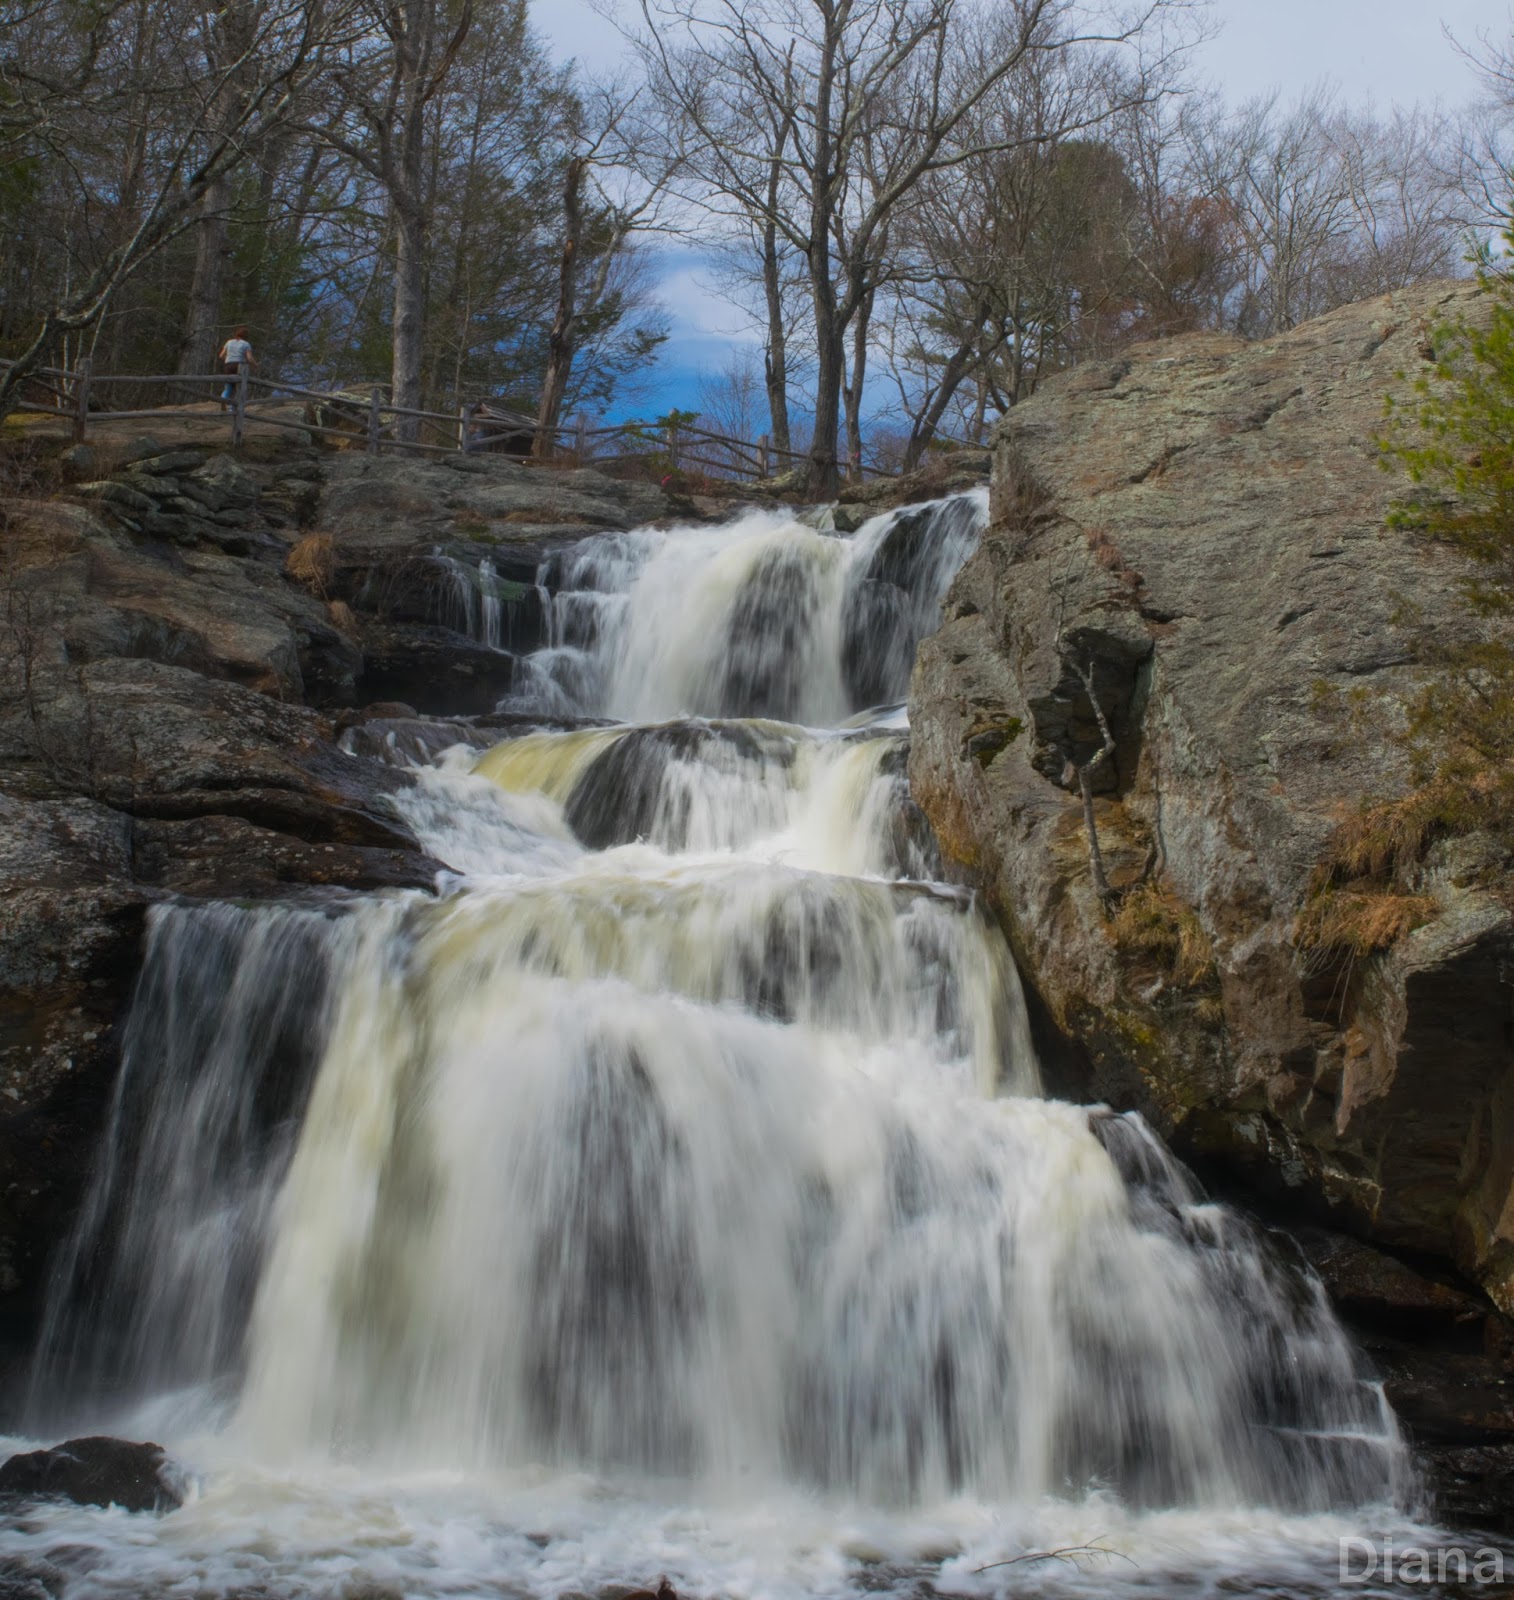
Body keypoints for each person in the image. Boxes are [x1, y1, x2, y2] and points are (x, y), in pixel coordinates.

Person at [217, 326, 257, 409]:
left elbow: (221, 355)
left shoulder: (229, 342)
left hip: (228, 365)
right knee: (237, 387)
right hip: (239, 366)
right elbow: (249, 358)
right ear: (245, 336)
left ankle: (223, 400)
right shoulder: (246, 344)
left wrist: (229, 359)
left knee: (228, 386)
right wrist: (255, 365)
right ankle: (233, 408)